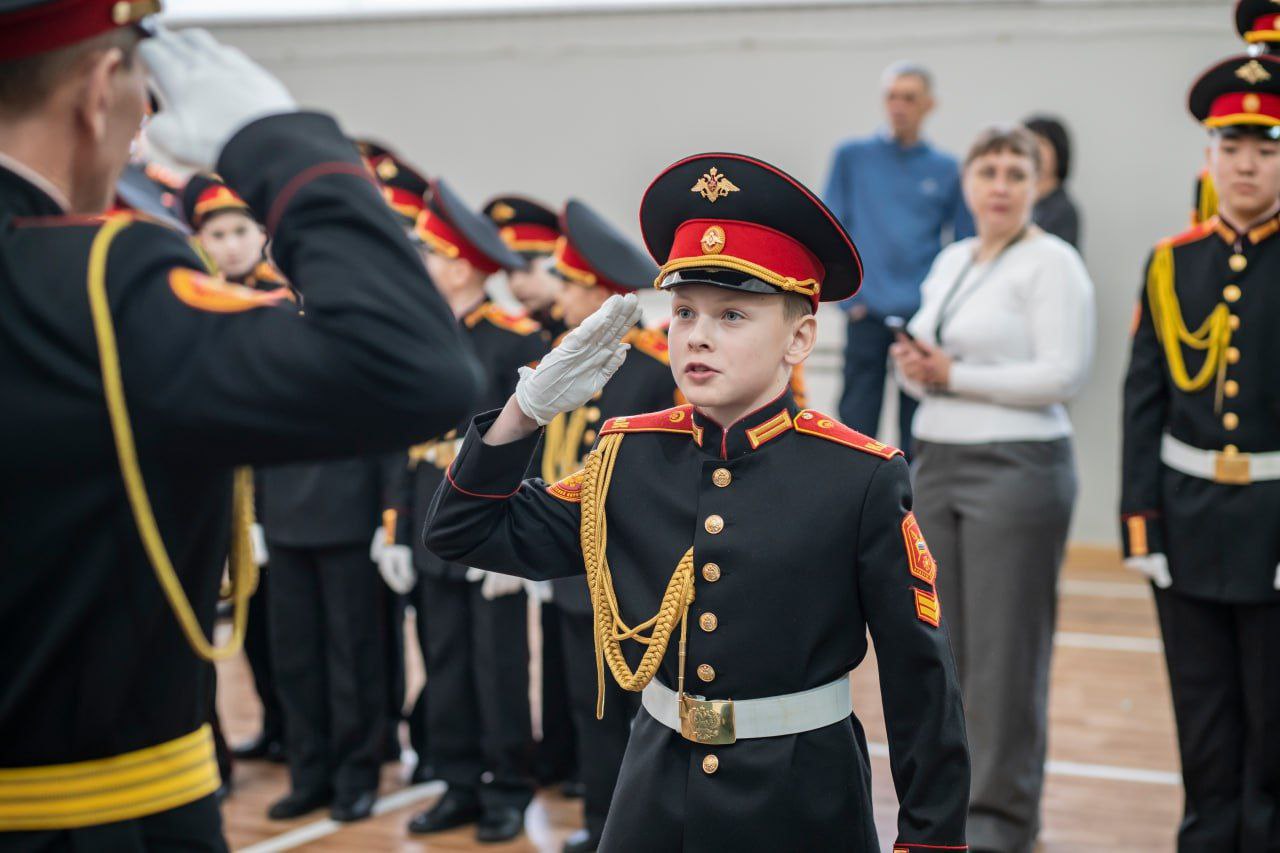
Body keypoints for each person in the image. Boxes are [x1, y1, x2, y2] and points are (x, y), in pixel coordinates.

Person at [0, 11, 479, 851]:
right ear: (99, 91)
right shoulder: (95, 288)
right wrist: (279, 140)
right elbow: (413, 366)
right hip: (84, 821)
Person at [423, 152, 970, 851]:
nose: (698, 335)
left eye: (733, 313)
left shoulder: (858, 477)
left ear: (800, 336)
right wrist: (522, 414)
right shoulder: (629, 457)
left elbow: (923, 685)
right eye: (684, 312)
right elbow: (461, 531)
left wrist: (929, 841)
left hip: (802, 794)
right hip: (654, 788)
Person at [890, 124, 1094, 853]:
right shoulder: (951, 260)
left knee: (1006, 662)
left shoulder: (1054, 263)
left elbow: (1063, 374)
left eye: (1016, 171)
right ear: (967, 184)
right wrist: (913, 363)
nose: (1001, 184)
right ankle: (950, 816)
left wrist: (954, 373)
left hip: (1019, 467)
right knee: (944, 652)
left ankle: (1004, 825)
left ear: (1037, 185)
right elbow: (927, 347)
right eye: (988, 171)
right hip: (938, 458)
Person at [1122, 53, 1280, 851]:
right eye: (1231, 146)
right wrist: (1141, 522)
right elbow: (1143, 399)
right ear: (1209, 157)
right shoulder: (1171, 262)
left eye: (1266, 147)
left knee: (1272, 722)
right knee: (1203, 715)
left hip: (1273, 521)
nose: (1246, 163)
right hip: (1188, 521)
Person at [384, 178, 548, 844]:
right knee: (443, 662)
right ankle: (457, 780)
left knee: (498, 666)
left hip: (491, 532)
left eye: (427, 252)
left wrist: (519, 541)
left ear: (456, 264)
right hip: (431, 521)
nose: (418, 263)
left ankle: (507, 785)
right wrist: (394, 527)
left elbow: (533, 441)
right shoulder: (424, 333)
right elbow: (407, 439)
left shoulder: (516, 338)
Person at [538, 199, 676, 853]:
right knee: (587, 706)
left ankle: (645, 827)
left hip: (627, 572)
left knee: (639, 713)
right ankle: (602, 823)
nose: (559, 294)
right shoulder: (566, 358)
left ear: (595, 286)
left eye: (567, 280)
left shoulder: (650, 368)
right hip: (574, 566)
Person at [179, 173, 290, 770]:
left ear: (261, 235)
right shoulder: (196, 302)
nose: (227, 245)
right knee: (243, 628)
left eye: (238, 231)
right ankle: (264, 728)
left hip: (274, 496)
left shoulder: (279, 303)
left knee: (280, 629)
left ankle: (289, 728)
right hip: (224, 493)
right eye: (215, 233)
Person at [823, 60, 972, 453]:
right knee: (854, 428)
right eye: (892, 96)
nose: (899, 106)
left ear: (929, 105)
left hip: (921, 319)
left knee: (919, 431)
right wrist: (848, 300)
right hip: (866, 312)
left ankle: (910, 512)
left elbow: (964, 244)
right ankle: (851, 511)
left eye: (909, 98)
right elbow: (829, 230)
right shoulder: (852, 158)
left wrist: (944, 310)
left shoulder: (946, 170)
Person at [483, 193, 580, 792]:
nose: (519, 281)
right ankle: (556, 752)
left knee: (571, 640)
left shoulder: (560, 337)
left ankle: (570, 756)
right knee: (548, 642)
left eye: (533, 266)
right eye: (511, 269)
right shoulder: (534, 338)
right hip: (543, 497)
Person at [1024, 115, 1082, 251]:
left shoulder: (1063, 211)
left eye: (1041, 142)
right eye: (1027, 142)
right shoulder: (1019, 203)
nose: (1033, 150)